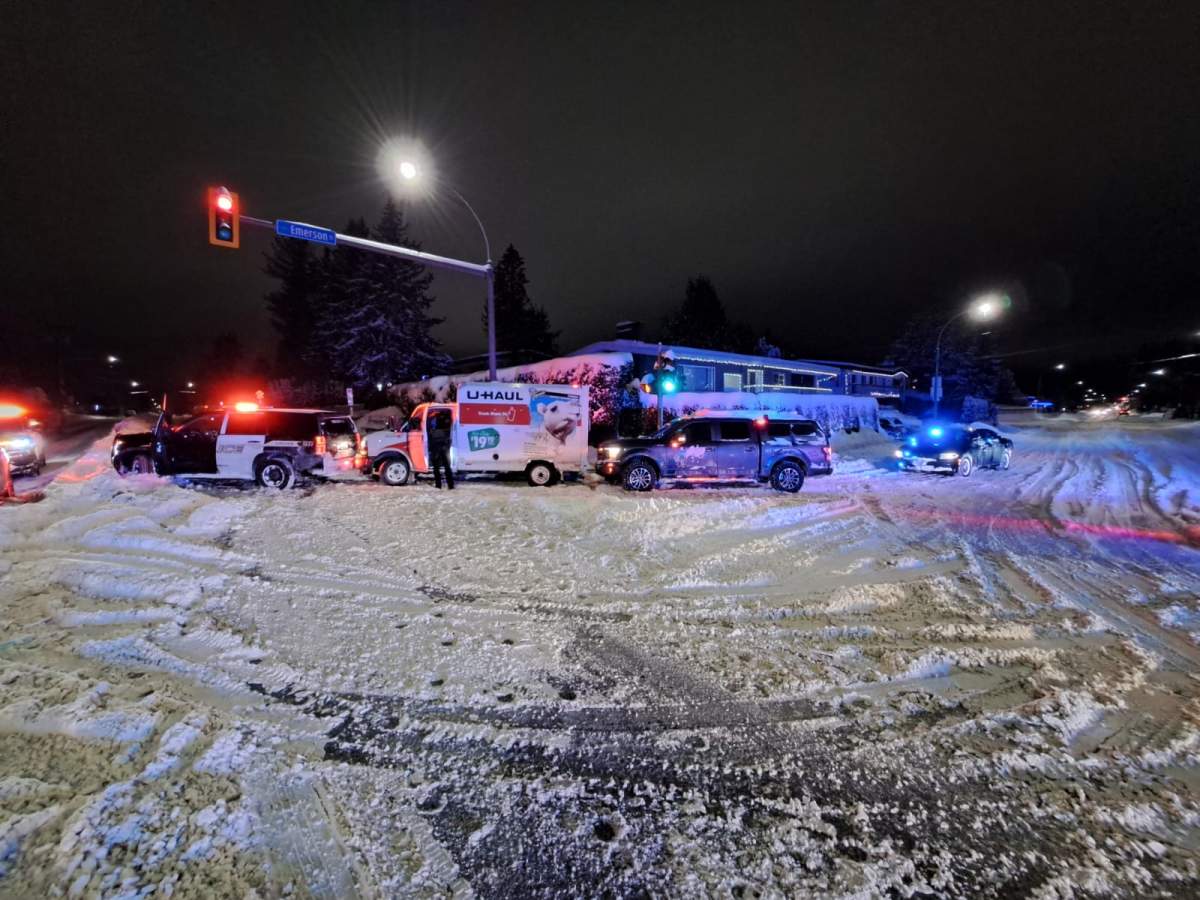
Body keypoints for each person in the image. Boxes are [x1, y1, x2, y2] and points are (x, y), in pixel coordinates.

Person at [427, 409, 454, 490]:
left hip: (436, 445)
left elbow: (430, 431)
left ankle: (438, 485)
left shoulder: (434, 419)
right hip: (445, 445)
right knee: (447, 467)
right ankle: (450, 485)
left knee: (436, 467)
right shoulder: (449, 419)